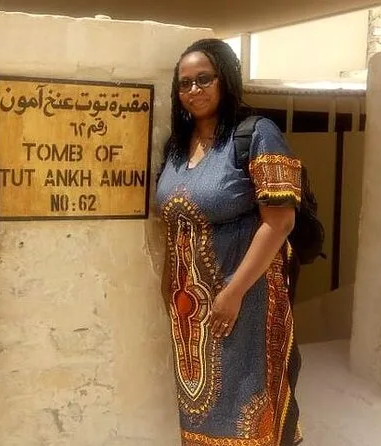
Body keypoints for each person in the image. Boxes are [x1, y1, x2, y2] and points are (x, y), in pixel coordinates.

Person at [156, 38, 302, 445]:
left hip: (245, 302)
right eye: (185, 83)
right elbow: (176, 221)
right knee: (200, 413)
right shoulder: (177, 147)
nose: (194, 90)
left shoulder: (257, 134)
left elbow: (280, 222)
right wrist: (169, 282)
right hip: (190, 312)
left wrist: (233, 293)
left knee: (247, 410)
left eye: (204, 79)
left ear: (226, 80)